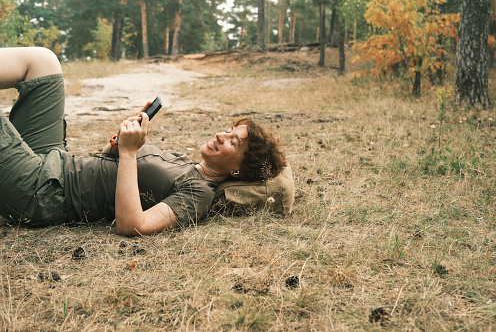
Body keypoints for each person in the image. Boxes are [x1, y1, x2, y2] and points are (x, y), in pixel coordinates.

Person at [0, 47, 286, 236]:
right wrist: (118, 143)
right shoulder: (182, 162)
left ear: (238, 170)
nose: (221, 135)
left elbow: (133, 225)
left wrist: (127, 153)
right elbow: (103, 168)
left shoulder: (199, 194)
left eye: (233, 143)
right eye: (228, 130)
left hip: (44, 193)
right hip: (54, 159)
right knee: (43, 62)